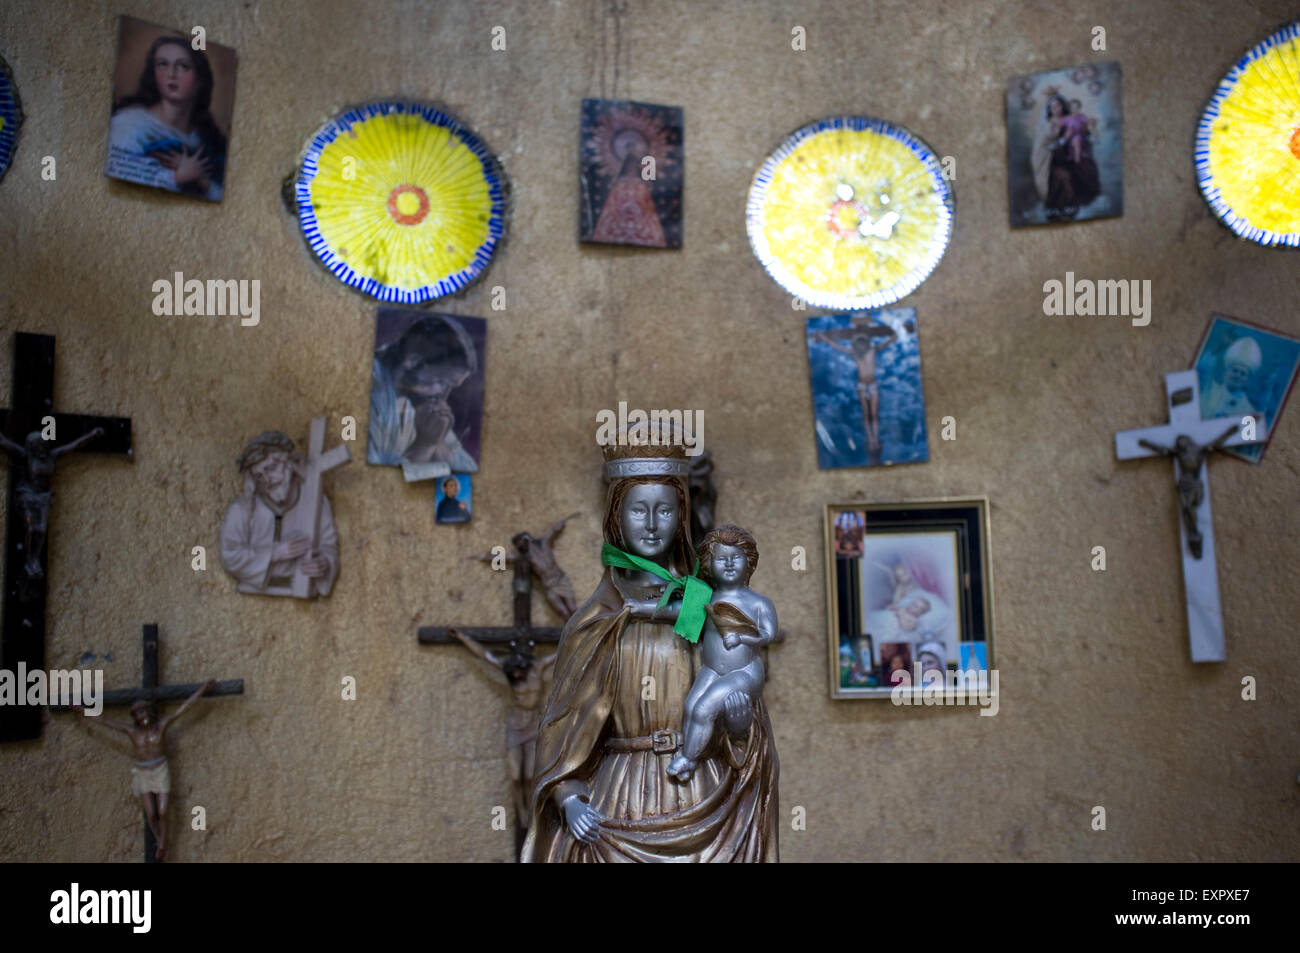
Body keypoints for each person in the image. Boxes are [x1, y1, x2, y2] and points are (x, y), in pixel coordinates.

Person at [522, 435, 779, 862]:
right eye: (638, 510)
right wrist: (568, 797)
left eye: (665, 510)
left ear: (681, 517)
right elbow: (562, 730)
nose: (652, 524)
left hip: (700, 790)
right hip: (618, 800)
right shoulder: (595, 621)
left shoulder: (702, 604)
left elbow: (741, 699)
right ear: (616, 517)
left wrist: (738, 728)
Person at [640, 525, 776, 782]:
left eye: (735, 558)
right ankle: (691, 756)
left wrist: (743, 637)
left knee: (704, 709)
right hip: (712, 669)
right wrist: (639, 607)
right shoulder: (704, 596)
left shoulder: (759, 603)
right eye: (721, 558)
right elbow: (677, 611)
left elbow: (768, 635)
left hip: (744, 672)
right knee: (691, 706)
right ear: (708, 563)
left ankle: (688, 759)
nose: (728, 564)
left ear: (749, 562)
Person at [73, 680, 216, 861]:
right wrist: (81, 710)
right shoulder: (132, 731)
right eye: (138, 713)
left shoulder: (162, 725)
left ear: (150, 711)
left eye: (144, 711)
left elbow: (185, 707)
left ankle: (163, 841)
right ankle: (160, 841)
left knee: (163, 811)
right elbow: (105, 721)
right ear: (134, 717)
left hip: (160, 770)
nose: (142, 715)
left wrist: (203, 689)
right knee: (151, 813)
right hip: (143, 773)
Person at [447, 629, 557, 841]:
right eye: (512, 673)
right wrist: (463, 638)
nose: (515, 675)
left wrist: (587, 630)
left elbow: (563, 649)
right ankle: (521, 810)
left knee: (530, 775)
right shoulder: (508, 671)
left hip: (534, 725)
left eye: (518, 672)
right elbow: (484, 656)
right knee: (516, 776)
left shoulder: (538, 668)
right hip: (516, 727)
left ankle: (533, 810)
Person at [219, 430, 339, 596]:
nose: (268, 480)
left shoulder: (315, 500)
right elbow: (230, 555)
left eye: (271, 468)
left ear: (289, 462)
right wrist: (274, 553)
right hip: (255, 591)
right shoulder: (241, 509)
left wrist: (324, 563)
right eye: (259, 476)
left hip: (302, 590)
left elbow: (329, 546)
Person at [107, 33, 226, 201]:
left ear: (200, 81)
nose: (171, 73)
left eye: (183, 66)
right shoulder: (128, 125)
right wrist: (178, 177)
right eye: (162, 64)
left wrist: (202, 180)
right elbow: (120, 181)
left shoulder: (206, 142)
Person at [368, 315, 479, 471]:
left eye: (451, 387)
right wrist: (425, 445)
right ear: (412, 361)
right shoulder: (370, 389)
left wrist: (437, 443)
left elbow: (467, 468)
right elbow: (374, 480)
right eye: (441, 382)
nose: (443, 396)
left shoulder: (420, 401)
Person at [0, 427, 103, 579]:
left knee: (40, 530)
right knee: (32, 526)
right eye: (38, 445)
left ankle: (33, 559)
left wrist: (92, 435)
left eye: (44, 444)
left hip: (43, 498)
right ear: (32, 447)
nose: (42, 448)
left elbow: (73, 445)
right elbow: (3, 442)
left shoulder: (51, 456)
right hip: (28, 496)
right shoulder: (26, 456)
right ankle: (29, 560)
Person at [818, 326, 897, 452]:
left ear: (865, 342)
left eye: (862, 342)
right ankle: (870, 439)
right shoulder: (854, 353)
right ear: (856, 344)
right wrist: (825, 339)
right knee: (866, 414)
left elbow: (885, 344)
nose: (861, 345)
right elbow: (838, 347)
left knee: (874, 414)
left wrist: (894, 336)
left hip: (872, 384)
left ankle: (875, 439)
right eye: (858, 343)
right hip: (862, 385)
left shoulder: (872, 350)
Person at [1032, 93, 1101, 222]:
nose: (1056, 108)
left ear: (1063, 106)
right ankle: (1060, 211)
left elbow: (1086, 135)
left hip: (1071, 158)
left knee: (1087, 170)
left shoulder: (1071, 118)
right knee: (1063, 178)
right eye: (1052, 106)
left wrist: (1091, 129)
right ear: (1049, 110)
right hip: (1054, 162)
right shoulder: (1048, 125)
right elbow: (1046, 146)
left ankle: (1083, 206)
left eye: (1058, 105)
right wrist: (1064, 139)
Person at [1202, 336, 1262, 420]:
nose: (1238, 375)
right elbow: (1203, 369)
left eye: (1243, 373)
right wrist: (1219, 347)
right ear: (1225, 373)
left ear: (1246, 380)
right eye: (1235, 371)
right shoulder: (1208, 390)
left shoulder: (1249, 411)